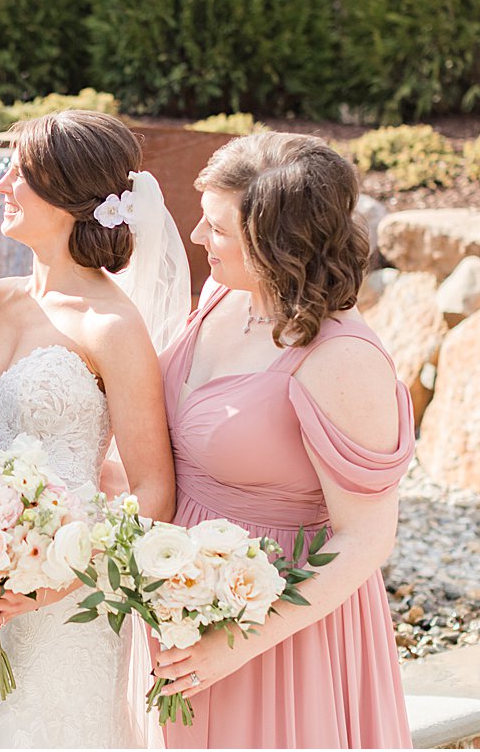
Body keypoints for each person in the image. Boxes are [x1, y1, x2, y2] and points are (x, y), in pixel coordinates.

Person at [0, 109, 178, 749]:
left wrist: (55, 579)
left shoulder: (113, 326)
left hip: (62, 604)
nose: (2, 186)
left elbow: (154, 489)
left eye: (20, 174)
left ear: (70, 194)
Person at [151, 132, 415, 749]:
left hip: (279, 633)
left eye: (216, 229)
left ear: (275, 244)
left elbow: (367, 538)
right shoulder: (223, 295)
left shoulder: (340, 358)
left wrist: (232, 646)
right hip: (182, 603)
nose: (196, 238)